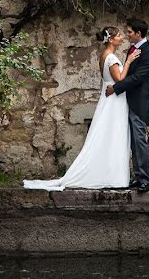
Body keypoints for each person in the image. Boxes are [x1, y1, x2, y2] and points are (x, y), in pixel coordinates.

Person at [23, 26, 139, 190]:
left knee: (110, 134)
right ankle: (113, 177)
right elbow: (119, 79)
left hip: (111, 98)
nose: (122, 37)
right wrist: (129, 61)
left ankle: (113, 175)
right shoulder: (111, 57)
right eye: (119, 35)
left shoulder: (104, 55)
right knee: (114, 133)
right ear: (111, 40)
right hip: (114, 100)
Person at [105, 17, 149, 193]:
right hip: (128, 101)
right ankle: (138, 176)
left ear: (138, 33)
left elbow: (138, 78)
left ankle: (145, 180)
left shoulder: (148, 53)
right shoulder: (133, 50)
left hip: (139, 102)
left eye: (129, 32)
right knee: (133, 142)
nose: (127, 35)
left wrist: (116, 88)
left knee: (139, 140)